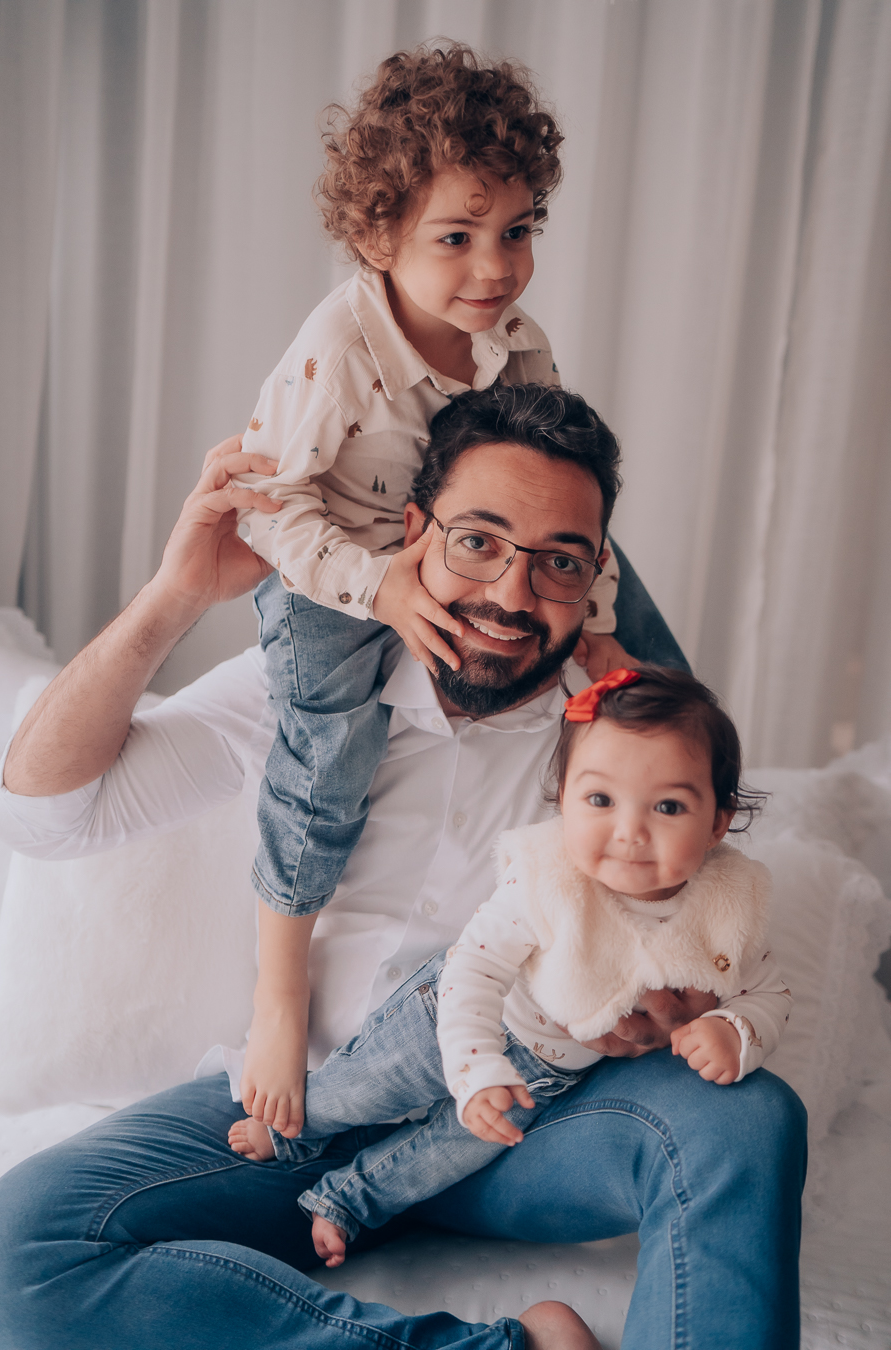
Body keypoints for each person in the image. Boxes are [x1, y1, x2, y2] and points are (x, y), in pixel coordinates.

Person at [0, 384, 805, 1350]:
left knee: (746, 1118)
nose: (513, 594)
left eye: (559, 562)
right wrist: (176, 597)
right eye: (479, 540)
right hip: (297, 1105)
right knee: (20, 1250)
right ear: (415, 532)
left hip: (521, 1118)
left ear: (595, 580)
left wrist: (675, 1004)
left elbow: (700, 921)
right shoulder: (310, 694)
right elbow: (42, 816)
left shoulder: (619, 752)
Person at [228, 45, 633, 1142]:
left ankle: (665, 798)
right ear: (378, 238)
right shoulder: (340, 349)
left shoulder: (517, 341)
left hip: (458, 548)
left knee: (605, 581)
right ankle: (279, 992)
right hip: (331, 569)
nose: (494, 267)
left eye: (519, 229)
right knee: (329, 753)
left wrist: (599, 632)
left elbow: (561, 474)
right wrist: (380, 589)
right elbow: (265, 506)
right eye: (456, 237)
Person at [228, 665, 792, 1269]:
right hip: (462, 1018)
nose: (630, 832)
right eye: (600, 800)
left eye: (669, 806)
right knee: (363, 1089)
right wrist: (474, 1069)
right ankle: (293, 1130)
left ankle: (347, 1199)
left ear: (717, 822)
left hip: (545, 1075)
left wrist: (735, 1031)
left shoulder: (725, 909)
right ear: (564, 799)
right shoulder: (548, 882)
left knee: (445, 1153)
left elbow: (771, 992)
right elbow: (474, 969)